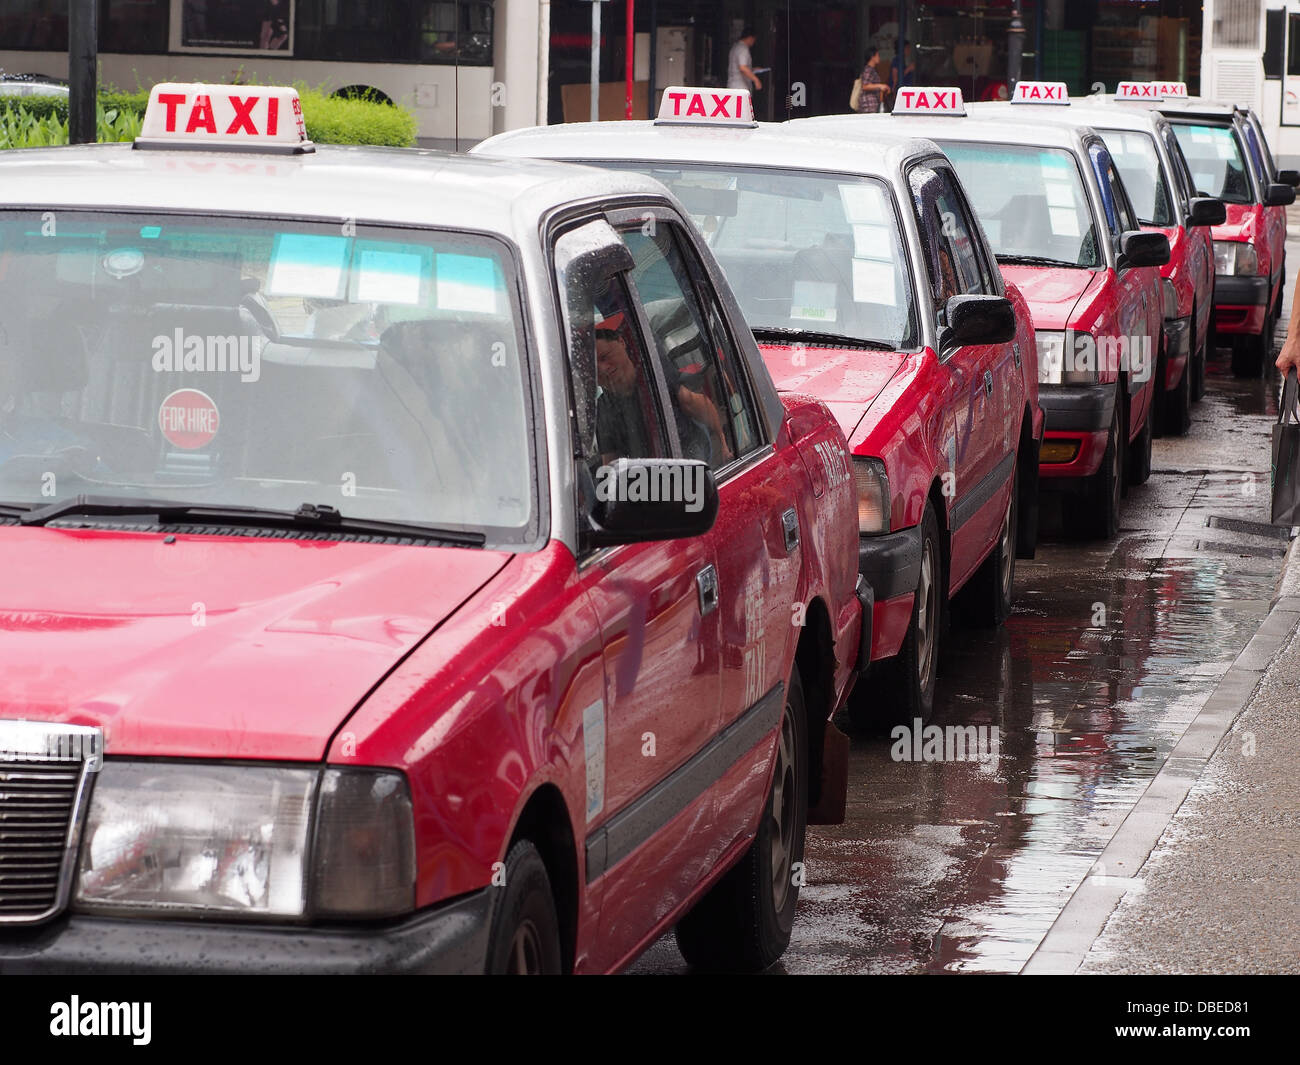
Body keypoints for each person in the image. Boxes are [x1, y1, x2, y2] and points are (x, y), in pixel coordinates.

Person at [594, 315, 732, 466]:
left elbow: (691, 401)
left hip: (690, 447)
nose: (603, 368)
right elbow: (609, 462)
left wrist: (724, 442)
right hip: (647, 472)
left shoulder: (654, 376)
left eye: (605, 357)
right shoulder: (603, 409)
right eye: (594, 367)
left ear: (622, 342)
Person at [856, 48, 890, 114]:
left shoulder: (872, 70)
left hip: (872, 104)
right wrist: (880, 86)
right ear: (872, 57)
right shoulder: (868, 70)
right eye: (877, 55)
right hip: (867, 105)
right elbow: (865, 86)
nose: (879, 58)